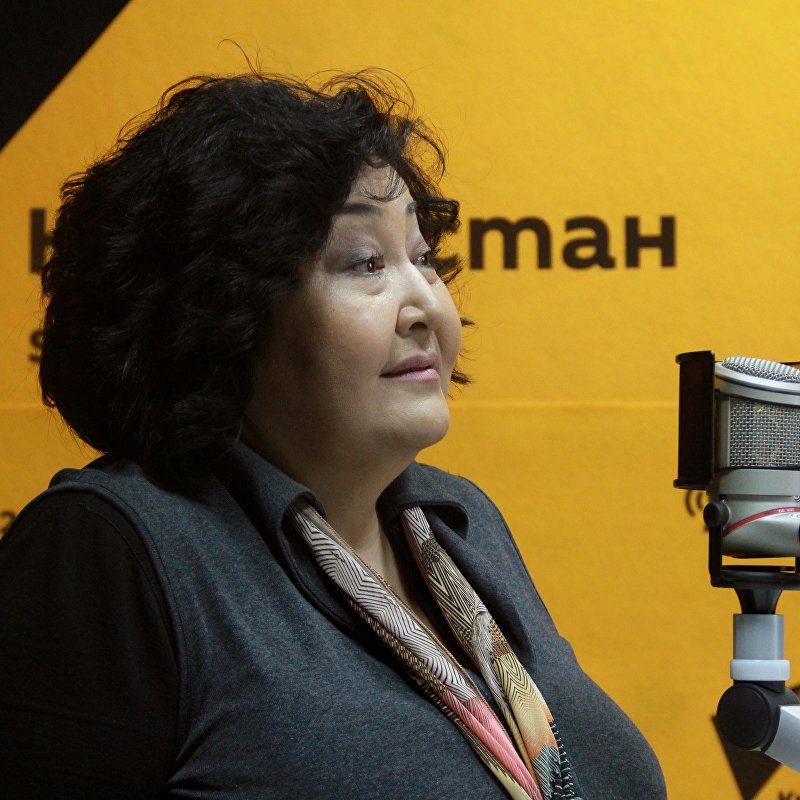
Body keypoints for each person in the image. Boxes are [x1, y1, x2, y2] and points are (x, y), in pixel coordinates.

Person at [0, 71, 666, 799]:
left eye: (423, 258)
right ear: (224, 311)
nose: (424, 304)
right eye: (366, 264)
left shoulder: (459, 521)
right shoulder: (110, 550)